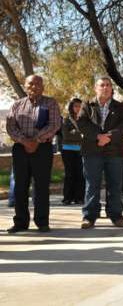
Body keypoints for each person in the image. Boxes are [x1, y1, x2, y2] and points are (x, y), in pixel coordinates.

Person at [5, 75, 62, 233]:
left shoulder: (50, 103)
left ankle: (42, 222)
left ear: (43, 86)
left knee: (41, 186)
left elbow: (55, 124)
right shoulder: (17, 105)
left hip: (42, 148)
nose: (34, 86)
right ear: (25, 86)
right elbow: (10, 126)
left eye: (38, 83)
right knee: (20, 187)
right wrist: (24, 141)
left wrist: (36, 140)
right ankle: (20, 222)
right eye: (31, 83)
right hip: (20, 149)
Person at [78, 76, 123, 229]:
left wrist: (109, 137)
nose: (105, 87)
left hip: (114, 152)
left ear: (111, 88)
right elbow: (81, 123)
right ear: (96, 88)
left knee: (115, 185)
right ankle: (89, 217)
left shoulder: (120, 107)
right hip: (92, 151)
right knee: (92, 185)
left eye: (108, 85)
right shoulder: (87, 105)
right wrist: (97, 136)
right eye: (102, 85)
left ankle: (116, 216)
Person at [61, 98, 85, 205]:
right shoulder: (66, 120)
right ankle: (67, 198)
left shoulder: (85, 120)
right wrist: (80, 135)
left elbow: (88, 134)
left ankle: (79, 197)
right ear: (71, 107)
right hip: (67, 150)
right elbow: (66, 135)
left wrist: (75, 133)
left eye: (80, 106)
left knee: (80, 174)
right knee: (69, 174)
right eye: (76, 106)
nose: (78, 108)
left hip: (81, 150)